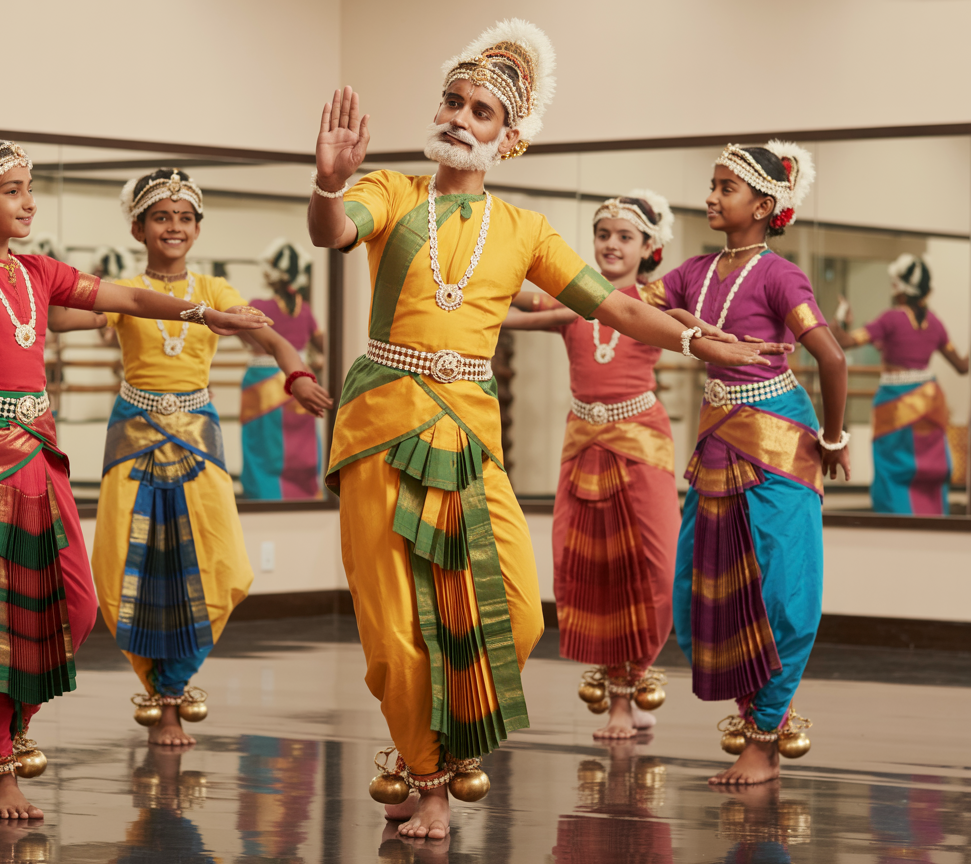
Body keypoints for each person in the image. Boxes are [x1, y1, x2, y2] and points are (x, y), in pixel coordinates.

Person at [306, 20, 785, 838]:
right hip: (381, 424)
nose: (460, 117)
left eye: (482, 110)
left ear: (511, 137)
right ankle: (425, 783)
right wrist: (326, 186)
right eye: (453, 100)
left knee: (516, 615)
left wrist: (698, 339)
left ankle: (448, 755)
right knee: (395, 628)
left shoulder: (525, 229)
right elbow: (335, 232)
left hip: (466, 433)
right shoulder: (388, 192)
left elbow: (617, 305)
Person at [0, 136, 270, 820]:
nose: (28, 200)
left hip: (34, 449)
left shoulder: (39, 274)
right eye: (13, 189)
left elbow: (127, 296)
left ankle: (4, 738)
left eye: (29, 187)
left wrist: (205, 313)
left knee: (71, 606)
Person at [91, 170, 332, 746]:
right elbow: (60, 316)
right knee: (127, 564)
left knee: (218, 562)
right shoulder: (123, 290)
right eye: (160, 217)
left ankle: (175, 684)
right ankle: (162, 697)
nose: (173, 227)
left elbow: (269, 336)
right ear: (137, 227)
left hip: (198, 436)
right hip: (133, 436)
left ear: (197, 230)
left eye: (184, 217)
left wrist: (295, 374)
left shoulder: (216, 290)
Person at [642, 140, 850, 785]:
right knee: (700, 590)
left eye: (726, 187)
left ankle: (763, 737)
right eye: (712, 184)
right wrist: (690, 325)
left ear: (764, 205)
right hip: (718, 441)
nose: (710, 196)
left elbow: (833, 357)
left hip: (780, 440)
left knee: (785, 595)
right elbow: (640, 304)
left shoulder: (780, 275)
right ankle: (751, 715)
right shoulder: (695, 271)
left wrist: (836, 441)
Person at [503, 191, 680, 739]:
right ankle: (618, 703)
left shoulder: (655, 299)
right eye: (603, 234)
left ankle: (637, 678)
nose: (610, 245)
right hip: (582, 444)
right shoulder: (575, 302)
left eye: (625, 236)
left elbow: (697, 329)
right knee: (591, 571)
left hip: (642, 443)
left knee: (654, 569)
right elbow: (509, 307)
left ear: (649, 246)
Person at [831, 254, 969, 514]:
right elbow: (963, 366)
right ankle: (935, 519)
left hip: (894, 404)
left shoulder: (891, 319)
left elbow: (845, 342)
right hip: (931, 401)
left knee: (892, 466)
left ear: (899, 288)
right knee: (931, 468)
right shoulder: (935, 323)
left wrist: (840, 317)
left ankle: (895, 521)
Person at [240, 238, 326, 500]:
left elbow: (244, 336)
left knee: (262, 447)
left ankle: (265, 496)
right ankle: (303, 497)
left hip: (262, 378)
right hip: (300, 379)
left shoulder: (258, 306)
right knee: (301, 446)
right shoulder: (305, 310)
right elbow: (321, 343)